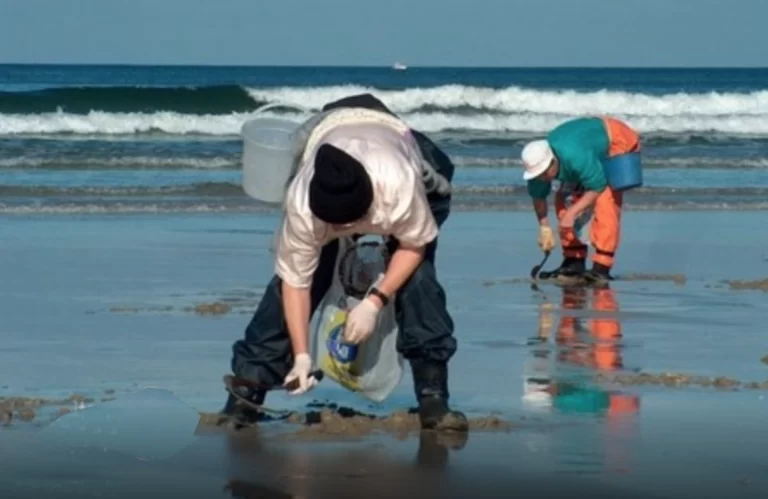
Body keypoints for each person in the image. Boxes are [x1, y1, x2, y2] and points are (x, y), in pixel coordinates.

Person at [222, 93, 468, 432]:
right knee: (292, 280)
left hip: (399, 153)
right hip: (327, 137)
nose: (344, 232)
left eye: (347, 225)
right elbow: (296, 282)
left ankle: (433, 397)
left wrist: (374, 300)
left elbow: (414, 246)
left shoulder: (398, 185)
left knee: (418, 281)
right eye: (334, 227)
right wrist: (302, 356)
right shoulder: (303, 204)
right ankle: (247, 393)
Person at [520, 116, 641, 284]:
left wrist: (573, 212)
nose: (542, 178)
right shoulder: (537, 168)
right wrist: (544, 227)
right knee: (564, 198)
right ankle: (574, 261)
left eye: (544, 173)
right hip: (584, 149)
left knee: (606, 199)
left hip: (616, 140)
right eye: (537, 175)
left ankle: (602, 266)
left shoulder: (575, 156)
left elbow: (597, 185)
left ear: (553, 162)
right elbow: (539, 198)